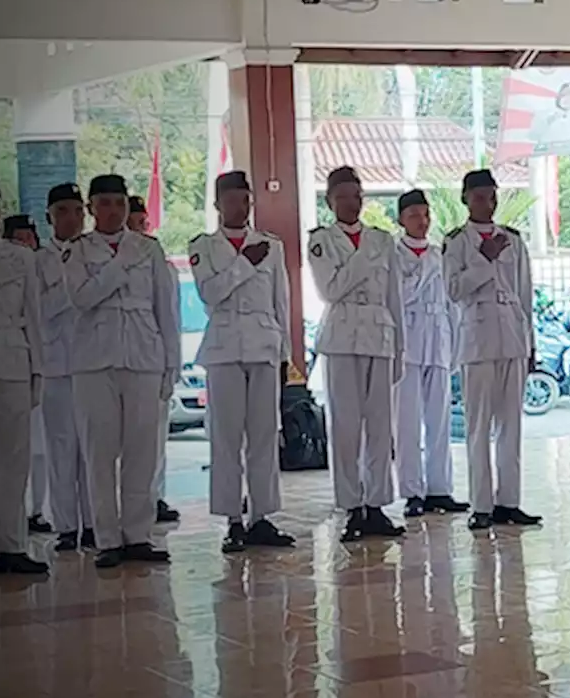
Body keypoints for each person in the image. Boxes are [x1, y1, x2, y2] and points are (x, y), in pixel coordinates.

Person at [64, 174, 180, 568]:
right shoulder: (79, 251)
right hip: (95, 361)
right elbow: (81, 298)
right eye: (104, 203)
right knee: (100, 452)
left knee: (142, 452)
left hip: (144, 356)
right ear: (92, 209)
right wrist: (117, 269)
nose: (113, 210)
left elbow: (167, 311)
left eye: (119, 203)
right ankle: (107, 538)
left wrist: (171, 364)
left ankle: (138, 535)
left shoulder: (148, 248)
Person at [190, 170, 296, 553]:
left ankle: (262, 516)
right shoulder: (204, 246)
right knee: (226, 437)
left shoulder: (271, 245)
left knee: (265, 436)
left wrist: (285, 354)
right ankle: (233, 519)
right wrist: (243, 265)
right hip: (223, 350)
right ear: (219, 204)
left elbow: (280, 301)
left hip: (264, 346)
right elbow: (210, 294)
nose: (241, 205)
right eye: (233, 199)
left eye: (246, 198)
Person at [308, 166, 405, 542]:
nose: (353, 203)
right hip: (343, 336)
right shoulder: (322, 241)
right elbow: (330, 289)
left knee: (380, 427)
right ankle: (351, 505)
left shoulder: (383, 240)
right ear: (331, 201)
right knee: (346, 426)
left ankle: (378, 503)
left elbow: (394, 296)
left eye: (358, 195)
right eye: (344, 196)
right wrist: (363, 259)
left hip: (379, 335)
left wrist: (400, 344)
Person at [443, 169, 539, 532]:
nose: (489, 202)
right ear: (466, 198)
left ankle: (509, 501)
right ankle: (481, 505)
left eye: (493, 195)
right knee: (478, 426)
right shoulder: (456, 242)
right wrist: (483, 258)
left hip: (512, 337)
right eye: (481, 196)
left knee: (511, 424)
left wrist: (531, 343)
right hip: (477, 340)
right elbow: (453, 290)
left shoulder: (513, 239)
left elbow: (524, 293)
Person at [393, 188, 465, 518]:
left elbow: (453, 305)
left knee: (440, 419)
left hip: (438, 341)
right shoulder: (393, 255)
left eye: (424, 215)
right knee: (407, 422)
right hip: (407, 342)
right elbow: (398, 296)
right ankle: (412, 490)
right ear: (401, 220)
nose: (420, 222)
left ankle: (440, 488)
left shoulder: (441, 255)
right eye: (413, 216)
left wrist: (455, 347)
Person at [0, 182, 48, 575]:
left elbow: (35, 315)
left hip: (12, 358)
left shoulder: (19, 258)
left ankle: (12, 545)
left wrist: (38, 370)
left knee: (14, 459)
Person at [38, 183, 95, 551]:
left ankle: (94, 522)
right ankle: (65, 525)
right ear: (49, 217)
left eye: (77, 210)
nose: (71, 218)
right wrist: (73, 288)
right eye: (62, 211)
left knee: (94, 447)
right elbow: (41, 310)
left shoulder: (95, 253)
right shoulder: (38, 260)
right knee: (61, 448)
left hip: (93, 361)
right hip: (56, 364)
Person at [127, 196, 180, 524]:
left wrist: (171, 361)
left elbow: (169, 315)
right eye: (134, 224)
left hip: (152, 355)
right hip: (119, 357)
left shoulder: (158, 259)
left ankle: (154, 497)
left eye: (142, 224)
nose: (139, 229)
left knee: (153, 437)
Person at [3, 215, 53, 535]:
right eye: (19, 237)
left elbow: (37, 317)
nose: (26, 244)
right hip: (10, 355)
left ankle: (32, 518)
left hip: (25, 361)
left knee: (33, 451)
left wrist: (37, 367)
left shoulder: (33, 264)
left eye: (29, 238)